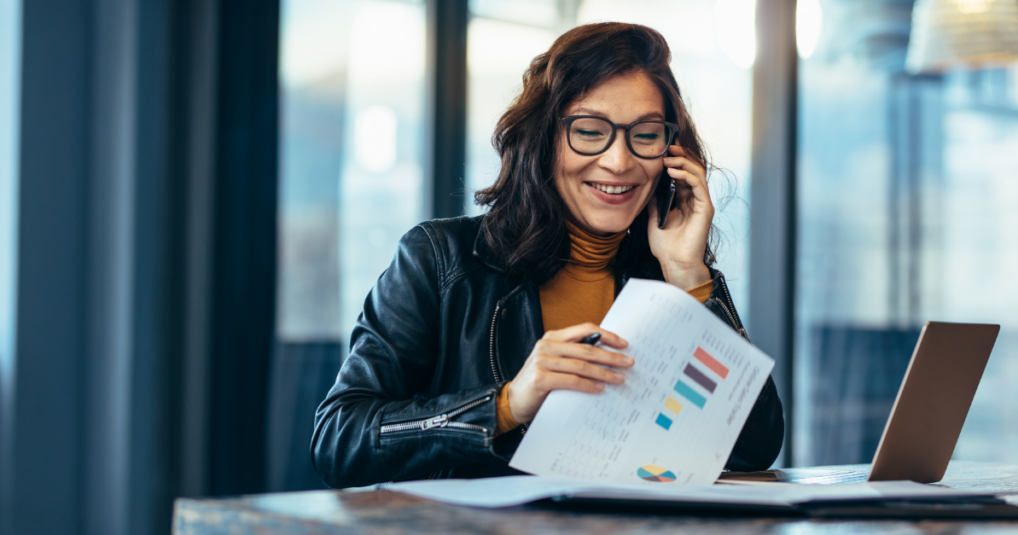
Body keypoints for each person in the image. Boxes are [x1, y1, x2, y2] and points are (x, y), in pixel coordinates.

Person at [311, 22, 784, 489]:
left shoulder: (668, 273)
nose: (619, 162)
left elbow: (752, 447)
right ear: (543, 140)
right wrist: (506, 405)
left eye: (645, 134)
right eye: (590, 130)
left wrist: (689, 276)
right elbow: (339, 439)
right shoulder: (441, 259)